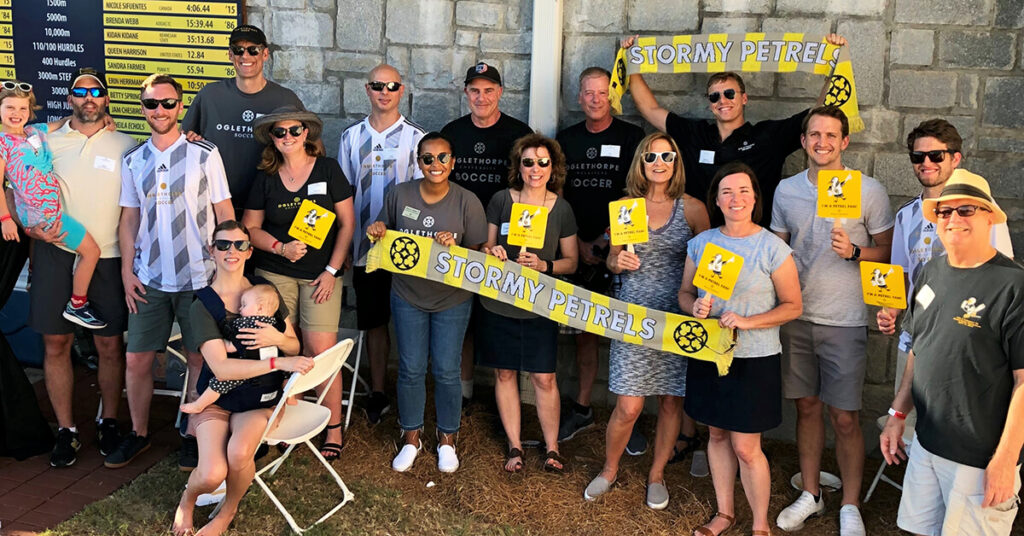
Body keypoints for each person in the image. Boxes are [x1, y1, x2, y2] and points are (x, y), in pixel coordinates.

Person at [769, 106, 894, 535]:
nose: (822, 142)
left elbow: (889, 252)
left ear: (845, 142)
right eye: (814, 134)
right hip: (797, 316)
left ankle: (852, 505)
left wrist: (856, 253)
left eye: (831, 135)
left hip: (845, 319)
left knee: (844, 416)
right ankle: (812, 493)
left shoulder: (869, 190)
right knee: (806, 409)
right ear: (803, 141)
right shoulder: (785, 191)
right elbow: (777, 253)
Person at [878, 170, 1023, 536]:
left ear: (989, 216)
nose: (953, 219)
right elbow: (918, 349)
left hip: (978, 459)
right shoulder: (930, 272)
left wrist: (1006, 460)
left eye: (966, 210)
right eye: (944, 212)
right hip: (927, 443)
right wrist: (898, 412)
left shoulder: (1014, 285)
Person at [7, 68, 137, 467]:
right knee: (56, 343)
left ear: (106, 100)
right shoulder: (42, 137)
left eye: (95, 92)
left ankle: (109, 420)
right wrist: (24, 223)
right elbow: (13, 181)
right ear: (69, 100)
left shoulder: (127, 144)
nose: (88, 98)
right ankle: (67, 430)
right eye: (80, 92)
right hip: (53, 253)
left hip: (108, 254)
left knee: (110, 344)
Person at [109, 73, 234, 470]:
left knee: (198, 358)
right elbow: (129, 220)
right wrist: (128, 272)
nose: (159, 110)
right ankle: (139, 433)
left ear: (181, 107)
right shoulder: (133, 159)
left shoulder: (205, 153)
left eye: (167, 103)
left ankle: (192, 434)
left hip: (199, 276)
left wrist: (225, 270)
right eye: (151, 104)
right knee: (137, 360)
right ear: (141, 109)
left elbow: (224, 212)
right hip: (149, 277)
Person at [583, 133, 709, 509]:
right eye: (651, 156)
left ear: (676, 162)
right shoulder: (626, 206)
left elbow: (711, 258)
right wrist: (614, 261)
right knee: (629, 406)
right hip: (632, 314)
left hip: (676, 316)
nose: (659, 162)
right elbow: (611, 259)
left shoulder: (693, 209)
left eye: (667, 156)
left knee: (672, 401)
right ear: (641, 162)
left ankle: (656, 474)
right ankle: (610, 468)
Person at [679, 162, 802, 536]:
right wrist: (694, 307)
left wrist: (747, 322)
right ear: (716, 199)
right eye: (727, 192)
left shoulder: (772, 247)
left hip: (754, 359)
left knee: (747, 448)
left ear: (755, 197)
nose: (736, 198)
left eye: (744, 190)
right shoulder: (701, 244)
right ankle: (725, 513)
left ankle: (761, 525)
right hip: (710, 355)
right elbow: (684, 294)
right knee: (716, 435)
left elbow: (793, 306)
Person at [171, 220, 311, 536]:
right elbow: (221, 369)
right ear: (212, 251)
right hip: (217, 396)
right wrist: (279, 360)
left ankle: (227, 512)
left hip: (258, 399)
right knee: (210, 474)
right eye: (223, 244)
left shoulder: (265, 293)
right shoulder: (203, 304)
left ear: (249, 251)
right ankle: (188, 499)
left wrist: (275, 337)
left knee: (238, 453)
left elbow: (294, 343)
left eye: (239, 244)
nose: (231, 251)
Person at [621, 34, 847, 225]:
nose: (723, 100)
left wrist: (833, 64)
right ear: (710, 103)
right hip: (701, 238)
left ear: (744, 98)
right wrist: (632, 63)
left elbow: (820, 115)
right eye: (715, 96)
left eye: (730, 94)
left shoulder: (768, 136)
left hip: (752, 240)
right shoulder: (695, 133)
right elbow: (650, 109)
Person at [366, 132, 487, 473]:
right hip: (407, 295)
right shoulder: (400, 193)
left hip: (453, 298)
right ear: (418, 162)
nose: (436, 164)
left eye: (443, 157)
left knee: (447, 370)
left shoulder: (467, 201)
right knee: (411, 368)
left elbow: (480, 253)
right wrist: (376, 229)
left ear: (453, 161)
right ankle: (411, 436)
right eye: (428, 158)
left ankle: (447, 438)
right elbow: (383, 231)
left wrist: (457, 248)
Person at [243, 105, 354, 461]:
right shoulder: (266, 176)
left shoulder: (328, 169)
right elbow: (251, 228)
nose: (288, 137)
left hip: (321, 276)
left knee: (322, 353)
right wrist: (280, 246)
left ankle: (333, 427)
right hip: (275, 273)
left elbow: (347, 225)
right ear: (272, 139)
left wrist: (333, 271)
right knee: (284, 348)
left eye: (294, 130)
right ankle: (288, 419)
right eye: (280, 132)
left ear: (307, 133)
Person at [554, 67, 652, 455]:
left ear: (612, 95)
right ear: (579, 97)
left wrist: (608, 240)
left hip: (624, 247)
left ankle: (631, 415)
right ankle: (582, 407)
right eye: (588, 93)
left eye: (601, 92)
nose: (595, 99)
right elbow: (558, 193)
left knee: (629, 335)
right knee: (584, 331)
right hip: (577, 248)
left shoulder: (631, 137)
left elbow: (640, 190)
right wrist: (577, 241)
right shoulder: (567, 139)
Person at [876, 119, 1013, 395]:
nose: (926, 162)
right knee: (904, 427)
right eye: (918, 156)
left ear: (956, 158)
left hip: (963, 340)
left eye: (936, 155)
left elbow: (1002, 273)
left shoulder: (983, 211)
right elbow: (901, 273)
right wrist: (889, 310)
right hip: (914, 339)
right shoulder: (905, 214)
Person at [478, 133, 578, 473]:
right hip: (499, 302)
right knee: (504, 372)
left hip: (541, 304)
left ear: (554, 168)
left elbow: (572, 262)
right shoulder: (501, 200)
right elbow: (483, 247)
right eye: (529, 162)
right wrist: (493, 251)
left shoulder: (561, 208)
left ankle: (552, 448)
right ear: (518, 166)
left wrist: (544, 266)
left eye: (543, 163)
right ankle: (515, 445)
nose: (536, 169)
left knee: (544, 378)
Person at [442, 62, 533, 407]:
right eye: (475, 90)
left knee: (500, 319)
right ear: (466, 93)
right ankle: (464, 392)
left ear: (500, 92)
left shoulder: (518, 133)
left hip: (505, 243)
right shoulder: (452, 132)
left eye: (489, 90)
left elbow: (532, 183)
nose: (482, 97)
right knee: (461, 318)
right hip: (459, 238)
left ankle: (507, 395)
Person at [337, 63, 425, 425]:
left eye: (391, 85)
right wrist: (340, 251)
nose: (384, 91)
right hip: (362, 252)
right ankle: (377, 392)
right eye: (377, 85)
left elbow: (424, 196)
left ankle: (410, 390)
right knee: (373, 322)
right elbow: (340, 197)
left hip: (405, 253)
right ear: (367, 88)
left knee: (408, 324)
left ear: (401, 90)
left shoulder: (417, 138)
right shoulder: (350, 137)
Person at [0, 81, 107, 329]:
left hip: (52, 210)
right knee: (91, 251)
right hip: (42, 217)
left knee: (85, 252)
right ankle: (77, 305)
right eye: (9, 108)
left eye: (22, 109)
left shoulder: (35, 132)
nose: (16, 114)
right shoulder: (2, 144)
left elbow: (66, 121)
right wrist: (6, 220)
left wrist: (104, 120)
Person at [181, 24, 304, 212]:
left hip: (269, 207)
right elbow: (184, 141)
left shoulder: (285, 99)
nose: (245, 56)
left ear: (264, 54)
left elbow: (310, 149)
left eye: (253, 50)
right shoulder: (210, 96)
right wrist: (191, 141)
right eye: (238, 50)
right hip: (216, 203)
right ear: (230, 54)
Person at [180, 284, 282, 415]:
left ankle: (199, 404)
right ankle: (289, 397)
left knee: (219, 382)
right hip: (270, 372)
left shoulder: (248, 326)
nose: (239, 309)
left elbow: (231, 347)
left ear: (260, 308)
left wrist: (215, 340)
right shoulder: (274, 324)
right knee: (286, 374)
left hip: (249, 368)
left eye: (244, 305)